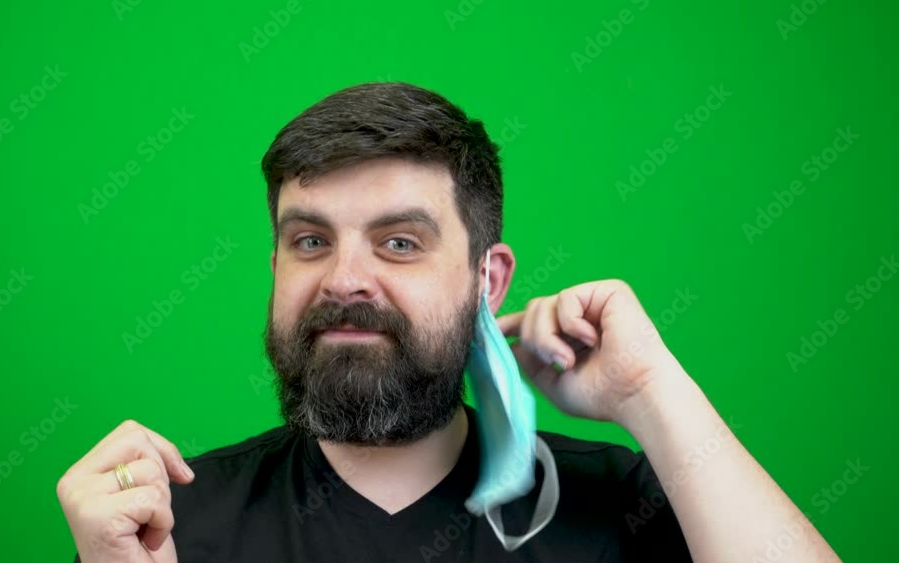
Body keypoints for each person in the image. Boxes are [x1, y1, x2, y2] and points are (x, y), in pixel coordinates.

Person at [57, 82, 840, 562]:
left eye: (399, 242)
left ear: (487, 278)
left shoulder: (617, 508)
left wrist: (651, 390)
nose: (346, 279)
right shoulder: (167, 527)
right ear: (275, 269)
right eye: (310, 241)